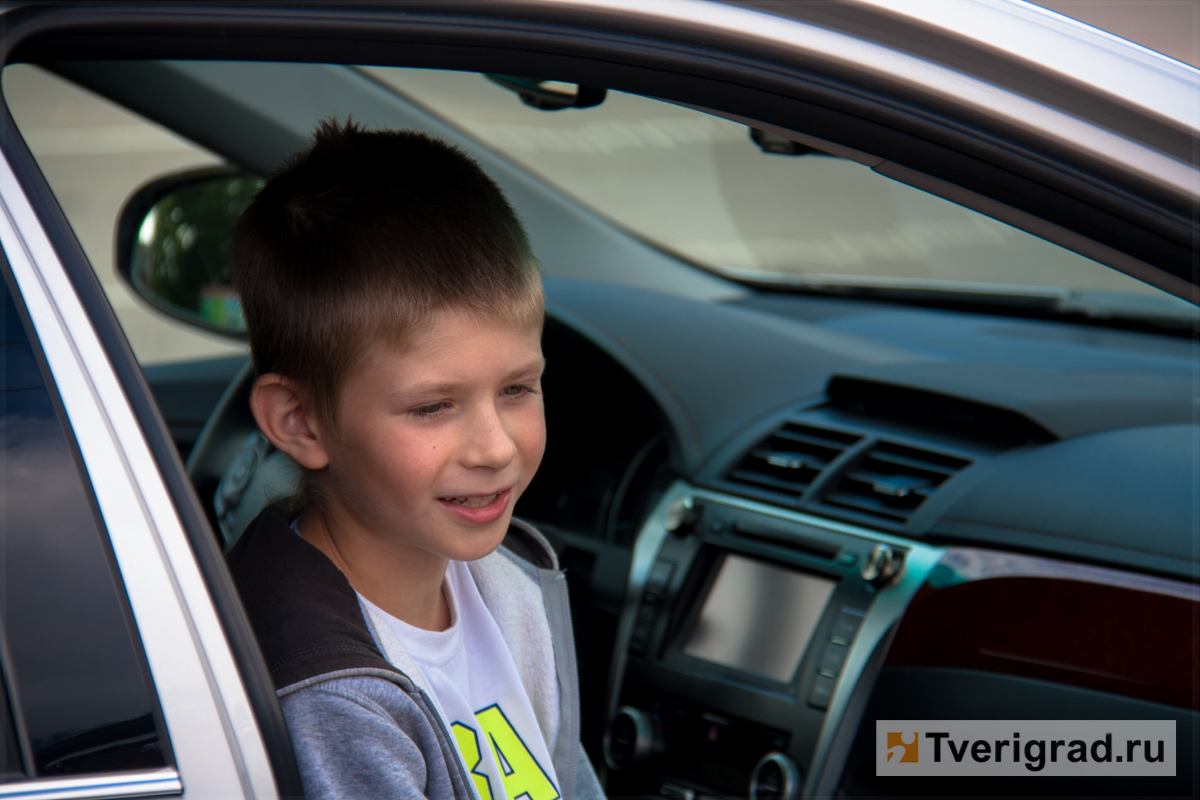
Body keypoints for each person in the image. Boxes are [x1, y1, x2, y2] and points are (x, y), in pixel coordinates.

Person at [225, 119, 605, 800]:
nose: (495, 448)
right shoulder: (331, 695)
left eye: (517, 389)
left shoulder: (508, 590)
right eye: (433, 407)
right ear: (300, 422)